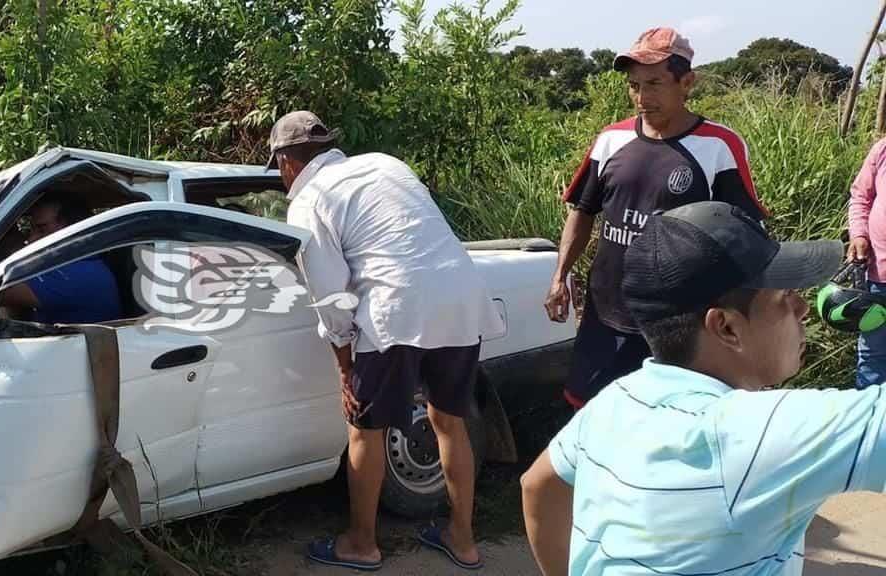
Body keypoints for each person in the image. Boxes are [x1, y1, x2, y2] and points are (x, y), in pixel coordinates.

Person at [520, 201, 867, 576]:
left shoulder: (617, 401)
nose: (802, 309)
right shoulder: (760, 434)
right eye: (784, 297)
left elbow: (538, 486)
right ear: (726, 328)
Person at [269, 111, 505, 571]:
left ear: (285, 162)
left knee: (365, 429)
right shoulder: (384, 163)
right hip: (460, 297)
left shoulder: (309, 200)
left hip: (395, 310)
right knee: (449, 423)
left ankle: (361, 543)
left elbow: (331, 298)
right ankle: (463, 540)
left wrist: (345, 371)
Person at [545, 27, 769, 409]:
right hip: (606, 311)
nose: (642, 98)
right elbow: (582, 211)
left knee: (667, 421)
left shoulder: (718, 147)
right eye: (633, 86)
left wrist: (749, 315)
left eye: (654, 84)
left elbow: (748, 235)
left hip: (678, 323)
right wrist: (559, 276)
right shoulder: (611, 140)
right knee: (590, 410)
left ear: (687, 82)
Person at [0, 198, 122, 324]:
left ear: (72, 229)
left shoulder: (79, 273)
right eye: (32, 230)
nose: (31, 239)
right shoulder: (76, 264)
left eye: (42, 230)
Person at [846, 136, 886, 388]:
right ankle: (870, 419)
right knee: (872, 355)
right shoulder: (883, 149)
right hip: (877, 279)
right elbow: (861, 196)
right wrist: (859, 234)